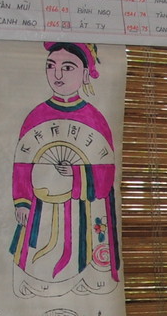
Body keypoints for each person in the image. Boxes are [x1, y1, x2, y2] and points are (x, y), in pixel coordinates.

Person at [11, 42, 120, 297]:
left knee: (87, 253)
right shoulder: (36, 116)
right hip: (43, 207)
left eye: (67, 67)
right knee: (42, 259)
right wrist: (23, 202)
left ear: (84, 73)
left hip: (84, 205)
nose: (57, 75)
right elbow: (21, 165)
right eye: (51, 66)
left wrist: (77, 175)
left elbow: (107, 174)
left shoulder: (96, 118)